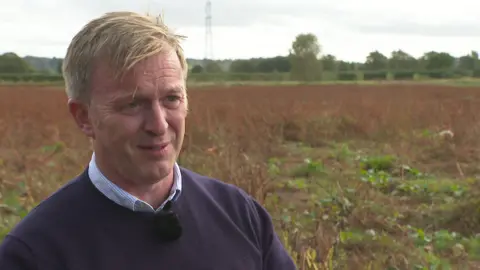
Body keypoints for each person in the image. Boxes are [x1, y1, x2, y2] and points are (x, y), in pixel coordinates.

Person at [0, 11, 297, 270]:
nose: (159, 124)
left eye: (171, 99)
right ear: (84, 117)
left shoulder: (239, 213)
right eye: (132, 104)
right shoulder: (35, 253)